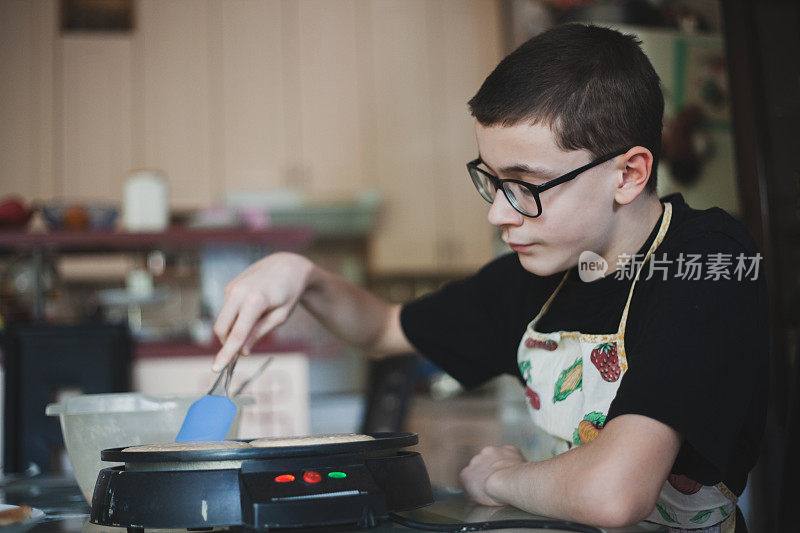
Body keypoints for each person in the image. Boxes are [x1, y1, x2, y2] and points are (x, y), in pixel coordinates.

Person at [210, 24, 767, 532]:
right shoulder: (535, 277)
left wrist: (498, 477)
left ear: (628, 174)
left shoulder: (706, 264)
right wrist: (302, 276)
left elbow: (613, 493)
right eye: (492, 179)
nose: (499, 213)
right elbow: (383, 329)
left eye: (525, 185)